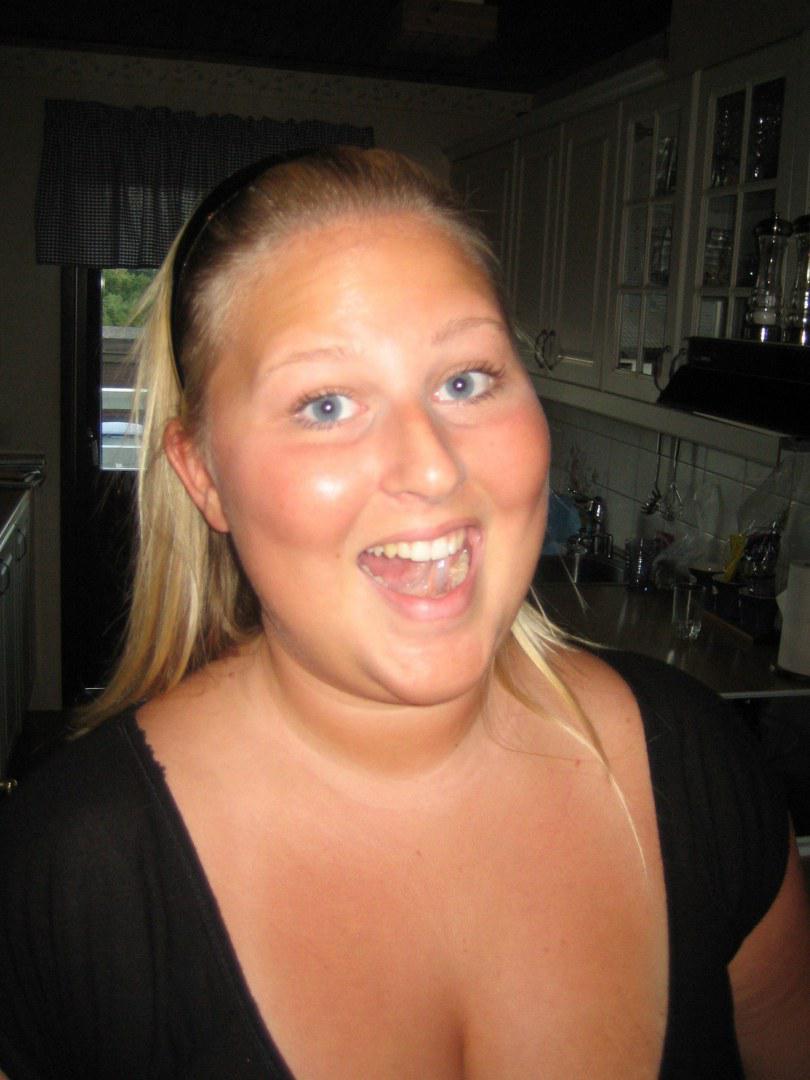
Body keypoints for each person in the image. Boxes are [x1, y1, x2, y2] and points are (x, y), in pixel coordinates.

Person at [1, 146, 808, 1079]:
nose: (430, 467)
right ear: (203, 475)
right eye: (326, 404)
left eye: (465, 380)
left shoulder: (697, 770)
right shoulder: (70, 875)